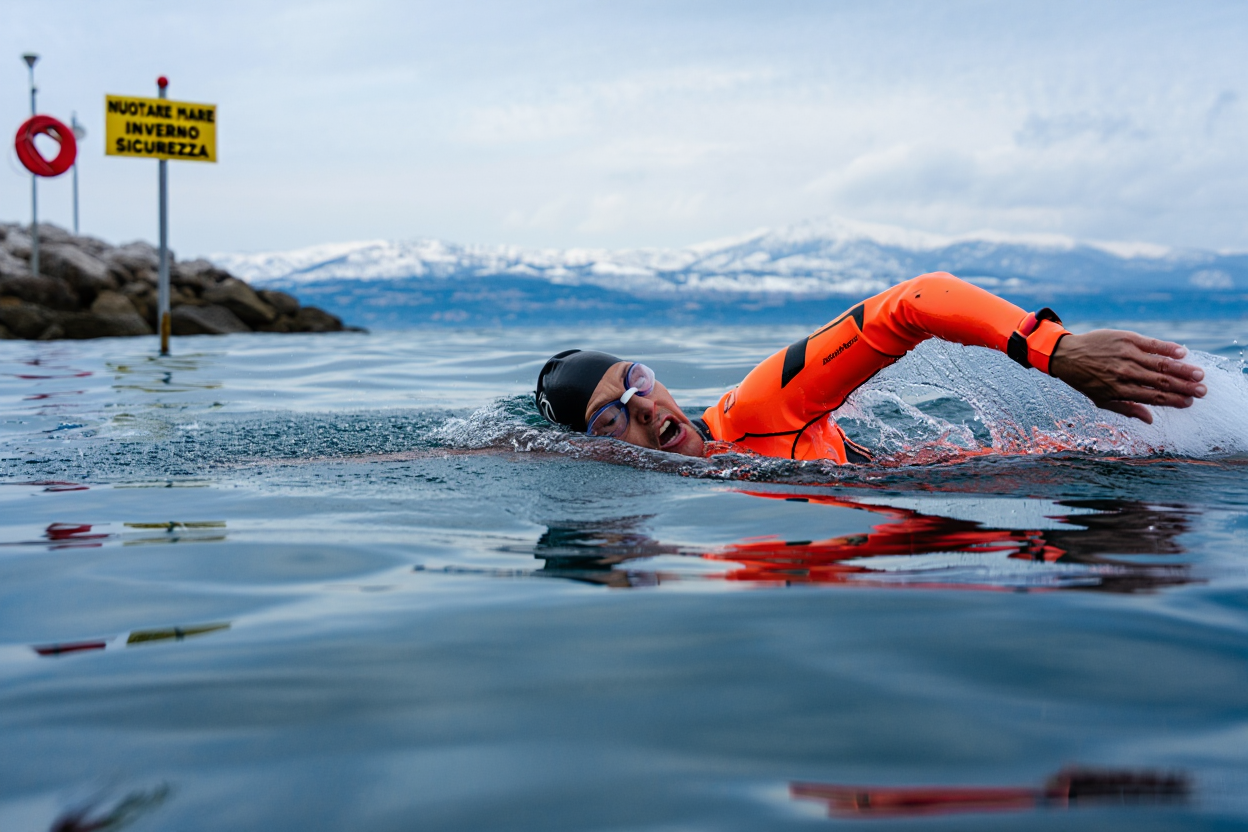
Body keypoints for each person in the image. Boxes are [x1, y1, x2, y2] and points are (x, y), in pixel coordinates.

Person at [534, 272, 1207, 463]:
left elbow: (908, 303)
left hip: (1029, 491)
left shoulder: (758, 412)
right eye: (610, 418)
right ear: (587, 454)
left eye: (637, 381)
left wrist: (1057, 351)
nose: (645, 407)